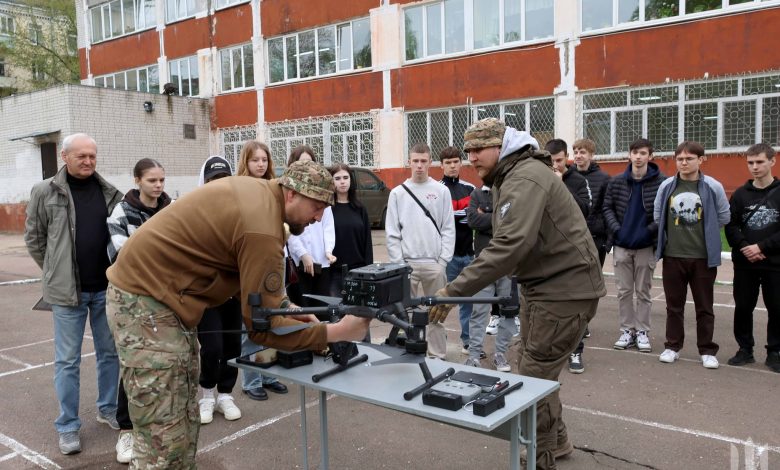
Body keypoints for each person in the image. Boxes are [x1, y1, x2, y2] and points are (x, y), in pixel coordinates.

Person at [105, 161, 370, 468]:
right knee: (162, 433)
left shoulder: (264, 199)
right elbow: (263, 328)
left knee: (182, 417)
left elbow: (266, 299)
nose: (319, 217)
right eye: (316, 206)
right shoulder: (262, 226)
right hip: (146, 303)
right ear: (292, 195)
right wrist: (336, 332)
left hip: (163, 302)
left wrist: (292, 310)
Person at [430, 118, 605, 470]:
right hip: (548, 288)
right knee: (536, 369)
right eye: (468, 151)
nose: (472, 157)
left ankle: (539, 458)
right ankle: (557, 442)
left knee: (530, 379)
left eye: (479, 149)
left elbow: (509, 244)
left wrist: (452, 291)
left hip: (562, 292)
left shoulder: (523, 176)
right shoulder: (512, 175)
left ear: (500, 147)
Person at [24, 133, 122, 455]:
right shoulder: (44, 191)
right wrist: (54, 270)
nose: (88, 161)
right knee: (68, 361)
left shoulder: (109, 192)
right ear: (64, 157)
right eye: (81, 156)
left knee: (110, 354)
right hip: (69, 295)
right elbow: (35, 239)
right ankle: (67, 425)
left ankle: (108, 409)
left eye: (92, 156)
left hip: (105, 290)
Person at [106, 158, 172, 463]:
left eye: (161, 180)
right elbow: (124, 255)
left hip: (167, 299)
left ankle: (154, 428)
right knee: (134, 364)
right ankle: (126, 431)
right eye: (151, 180)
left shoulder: (172, 210)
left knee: (162, 363)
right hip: (132, 299)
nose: (158, 186)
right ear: (137, 181)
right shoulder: (121, 212)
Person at [654, 141, 730, 369]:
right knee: (673, 305)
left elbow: (724, 217)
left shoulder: (713, 186)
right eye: (680, 159)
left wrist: (705, 232)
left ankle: (707, 350)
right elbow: (658, 215)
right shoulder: (667, 186)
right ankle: (672, 346)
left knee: (704, 306)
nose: (684, 163)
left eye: (689, 158)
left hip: (703, 258)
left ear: (701, 160)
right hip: (673, 256)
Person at [385, 143, 455, 359]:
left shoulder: (441, 191)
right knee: (409, 315)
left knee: (436, 314)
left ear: (430, 162)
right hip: (407, 265)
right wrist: (399, 263)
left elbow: (448, 227)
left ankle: (437, 357)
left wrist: (443, 261)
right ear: (409, 162)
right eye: (415, 161)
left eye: (423, 161)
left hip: (434, 264)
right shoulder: (397, 194)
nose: (419, 166)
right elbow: (392, 232)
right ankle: (414, 352)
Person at [235, 141, 289, 401]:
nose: (260, 164)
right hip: (250, 264)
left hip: (273, 263)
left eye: (264, 160)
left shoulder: (274, 189)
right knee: (251, 323)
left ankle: (268, 373)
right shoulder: (240, 189)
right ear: (245, 162)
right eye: (255, 159)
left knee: (272, 320)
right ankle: (251, 379)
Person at [603, 138, 666, 356]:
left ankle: (642, 332)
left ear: (650, 156)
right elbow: (607, 207)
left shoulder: (661, 183)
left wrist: (648, 231)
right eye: (634, 152)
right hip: (621, 245)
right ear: (629, 155)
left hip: (646, 246)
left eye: (642, 153)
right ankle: (627, 330)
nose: (638, 157)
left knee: (643, 292)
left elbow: (663, 213)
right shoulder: (618, 181)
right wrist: (617, 229)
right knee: (623, 291)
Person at [195, 156, 243, 425]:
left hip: (234, 292)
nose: (219, 183)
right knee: (212, 347)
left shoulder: (238, 208)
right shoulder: (196, 210)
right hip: (208, 293)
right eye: (214, 179)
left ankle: (225, 394)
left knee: (233, 346)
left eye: (224, 177)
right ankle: (207, 395)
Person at [724, 143, 780, 373]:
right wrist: (745, 246)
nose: (755, 167)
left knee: (777, 308)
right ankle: (744, 349)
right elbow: (731, 225)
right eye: (750, 163)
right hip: (745, 263)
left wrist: (763, 246)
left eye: (759, 162)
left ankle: (775, 351)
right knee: (743, 306)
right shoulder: (740, 194)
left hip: (775, 263)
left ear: (772, 162)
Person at [545, 138, 592, 374]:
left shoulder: (578, 181)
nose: (555, 166)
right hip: (547, 254)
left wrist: (560, 186)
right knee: (548, 308)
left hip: (572, 252)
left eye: (559, 161)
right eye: (551, 162)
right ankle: (551, 351)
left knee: (574, 308)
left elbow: (583, 210)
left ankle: (576, 351)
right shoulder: (540, 180)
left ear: (566, 158)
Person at [465, 184, 515, 372]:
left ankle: (500, 354)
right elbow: (472, 220)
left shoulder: (512, 191)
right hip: (483, 263)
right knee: (479, 310)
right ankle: (474, 355)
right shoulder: (477, 194)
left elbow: (514, 222)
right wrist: (499, 216)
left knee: (508, 311)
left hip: (508, 263)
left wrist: (486, 214)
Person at [285, 145, 336, 309]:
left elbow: (327, 226)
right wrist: (303, 254)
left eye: (310, 162)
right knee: (302, 307)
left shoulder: (322, 193)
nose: (308, 167)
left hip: (321, 261)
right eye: (302, 162)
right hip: (300, 263)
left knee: (322, 307)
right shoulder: (290, 196)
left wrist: (328, 250)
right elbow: (290, 230)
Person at [439, 146, 476, 354]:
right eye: (448, 163)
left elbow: (474, 217)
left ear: (460, 163)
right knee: (442, 300)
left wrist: (460, 216)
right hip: (447, 256)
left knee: (467, 301)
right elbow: (441, 221)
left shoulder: (470, 188)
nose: (452, 166)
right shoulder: (437, 189)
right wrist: (462, 215)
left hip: (468, 254)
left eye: (456, 162)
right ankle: (438, 340)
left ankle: (467, 340)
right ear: (442, 165)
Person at [328, 163, 373, 297]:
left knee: (358, 314)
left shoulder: (360, 209)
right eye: (337, 178)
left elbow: (367, 244)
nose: (342, 182)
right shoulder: (327, 209)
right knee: (337, 316)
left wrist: (369, 271)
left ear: (351, 180)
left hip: (358, 272)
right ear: (331, 181)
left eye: (345, 177)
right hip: (334, 273)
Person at [572, 138, 611, 266]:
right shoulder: (567, 176)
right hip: (572, 236)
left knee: (595, 277)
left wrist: (607, 239)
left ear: (591, 155)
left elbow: (608, 208)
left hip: (595, 237)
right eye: (575, 152)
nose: (578, 156)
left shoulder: (604, 178)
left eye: (582, 152)